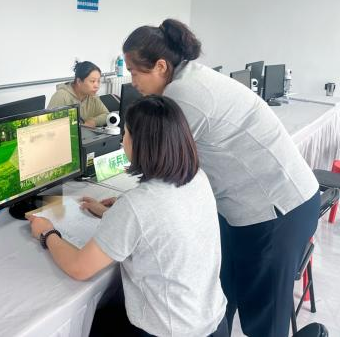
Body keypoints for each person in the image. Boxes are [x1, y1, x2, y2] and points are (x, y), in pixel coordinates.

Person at [122, 19, 320, 337]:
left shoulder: (184, 93)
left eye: (134, 72)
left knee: (264, 322)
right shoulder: (191, 77)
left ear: (160, 66)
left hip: (276, 210)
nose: (132, 82)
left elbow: (162, 166)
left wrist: (130, 209)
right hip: (254, 205)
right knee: (221, 294)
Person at [28, 95, 228, 337]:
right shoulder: (197, 177)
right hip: (212, 320)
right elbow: (163, 222)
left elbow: (79, 268)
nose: (122, 140)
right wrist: (113, 214)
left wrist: (47, 231)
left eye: (126, 133)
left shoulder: (137, 206)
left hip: (169, 330)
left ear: (143, 144)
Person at [47, 60, 108, 127]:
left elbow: (106, 115)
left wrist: (93, 122)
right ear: (79, 81)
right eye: (92, 81)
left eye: (98, 81)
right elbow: (50, 125)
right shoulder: (61, 96)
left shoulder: (92, 96)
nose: (97, 86)